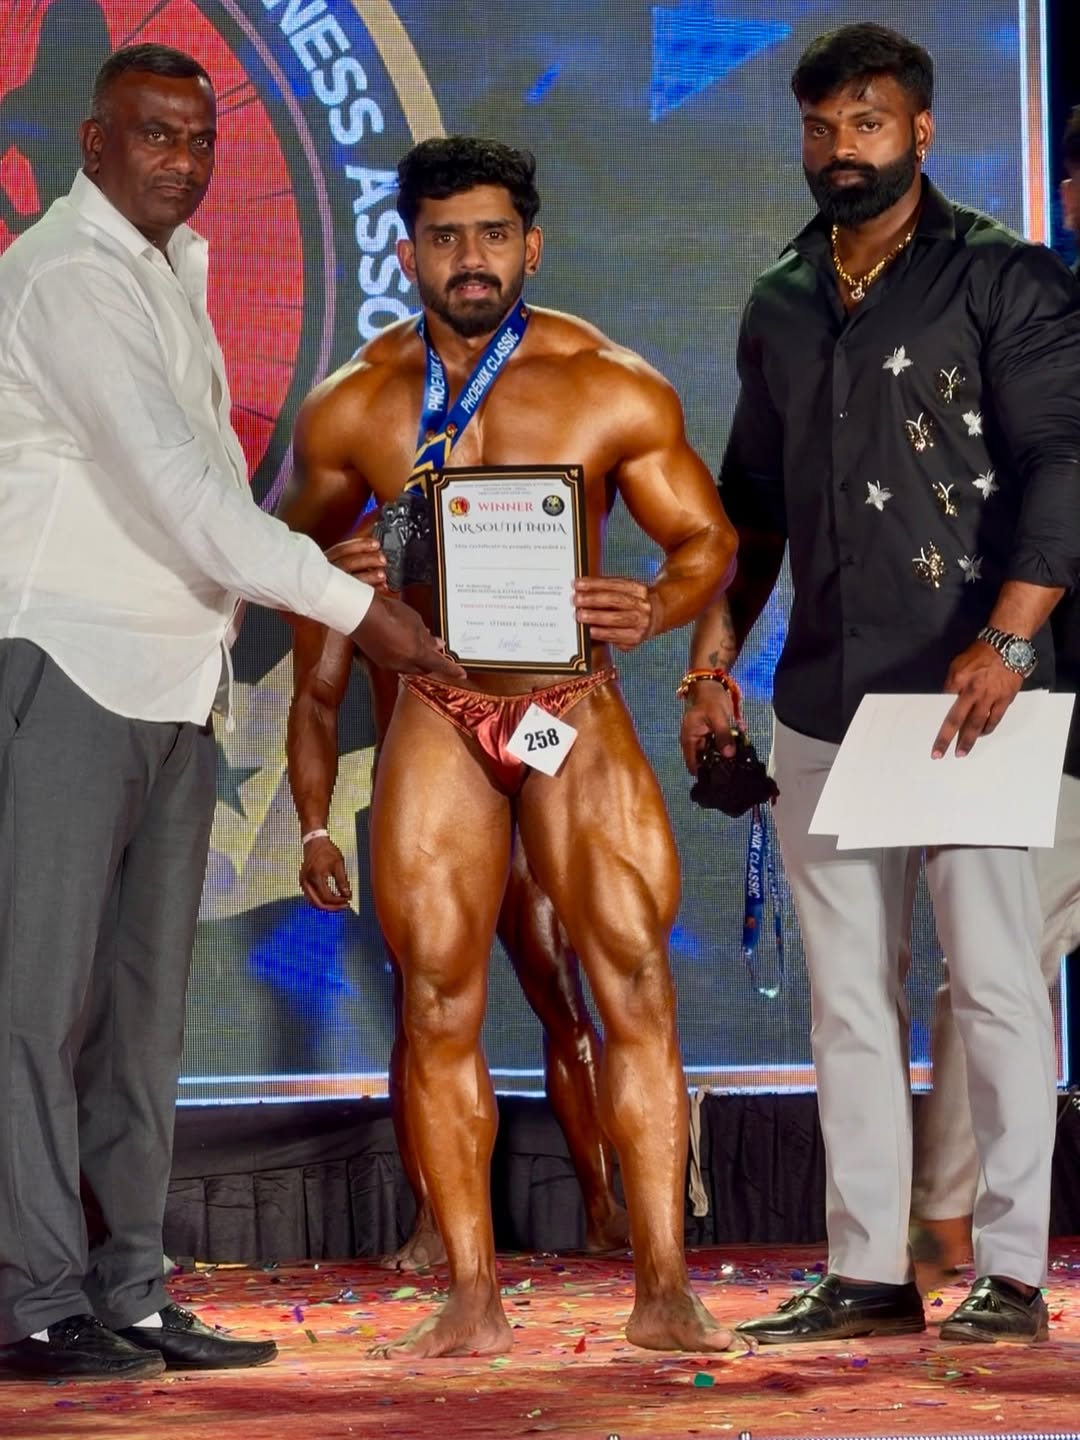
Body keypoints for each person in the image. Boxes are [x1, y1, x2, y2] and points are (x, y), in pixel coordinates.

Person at [0, 44, 460, 1382]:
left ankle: (130, 1291)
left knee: (141, 1016)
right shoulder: (67, 277)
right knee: (34, 1009)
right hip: (67, 669)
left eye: (200, 139)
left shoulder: (167, 275)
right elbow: (181, 497)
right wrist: (362, 611)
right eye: (155, 135)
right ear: (92, 143)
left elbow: (199, 505)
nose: (185, 161)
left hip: (174, 685)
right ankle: (34, 1300)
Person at [282, 135, 737, 1357]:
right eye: (445, 238)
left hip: (570, 702)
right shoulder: (355, 402)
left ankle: (663, 1290)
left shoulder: (608, 384)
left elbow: (706, 540)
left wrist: (660, 604)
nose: (470, 259)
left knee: (632, 979)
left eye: (492, 235)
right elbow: (276, 548)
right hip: (438, 705)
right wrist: (330, 568)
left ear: (530, 245)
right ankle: (472, 1297)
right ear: (408, 252)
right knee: (438, 996)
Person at [681, 23, 1080, 1346]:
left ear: (919, 131)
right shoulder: (782, 298)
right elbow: (748, 508)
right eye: (820, 127)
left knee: (997, 984)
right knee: (848, 998)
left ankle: (1011, 1273)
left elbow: (1066, 468)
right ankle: (867, 1273)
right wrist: (709, 662)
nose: (840, 149)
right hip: (821, 697)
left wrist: (1012, 640)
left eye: (866, 123)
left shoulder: (1004, 277)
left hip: (967, 692)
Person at [284, 625, 629, 1270]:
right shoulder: (372, 574)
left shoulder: (517, 560)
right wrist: (315, 832)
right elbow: (315, 698)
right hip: (428, 804)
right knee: (425, 1015)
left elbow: (576, 675)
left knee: (561, 993)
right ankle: (436, 1221)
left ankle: (606, 1210)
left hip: (527, 775)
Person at [908, 101, 1080, 1283]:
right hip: (1051, 703)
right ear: (1070, 196)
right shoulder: (1029, 323)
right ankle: (947, 1221)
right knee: (994, 968)